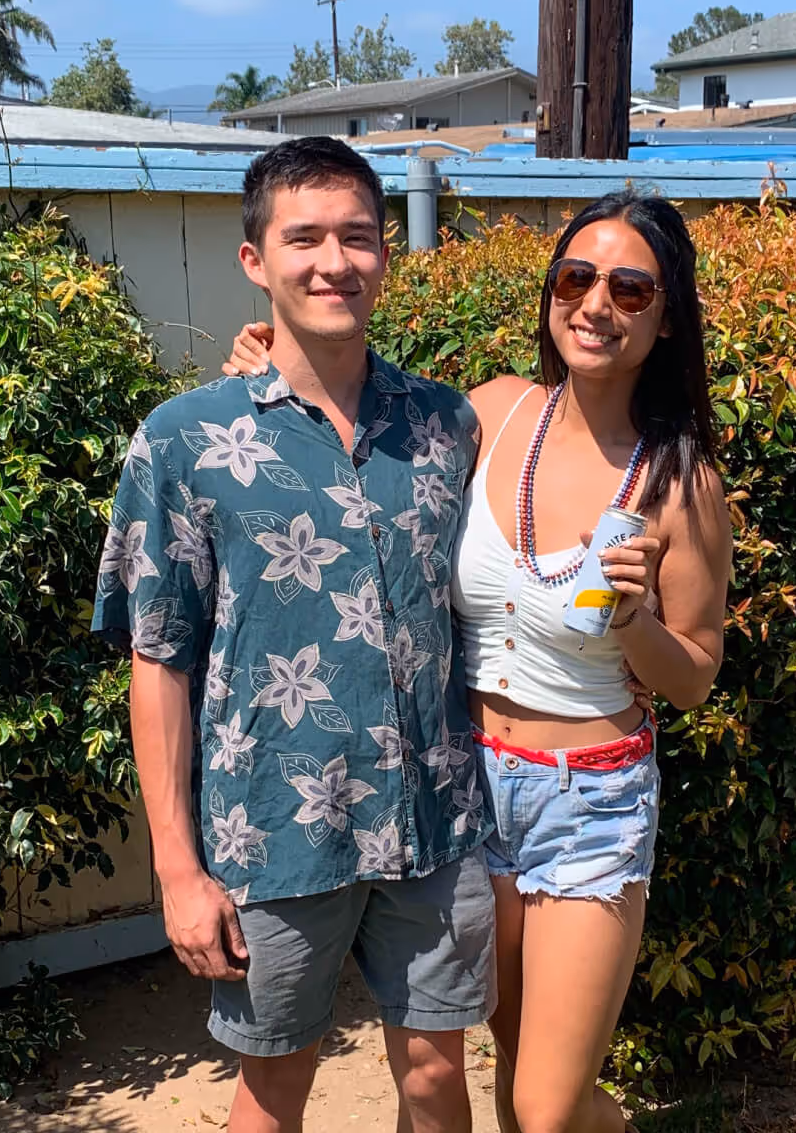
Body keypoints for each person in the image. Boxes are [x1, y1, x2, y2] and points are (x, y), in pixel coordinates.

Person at [224, 190, 731, 1133]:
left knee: (547, 1106)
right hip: (464, 788)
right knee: (508, 1065)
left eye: (630, 289)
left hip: (589, 800)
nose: (597, 305)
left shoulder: (678, 480)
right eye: (576, 279)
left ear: (665, 319)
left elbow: (696, 678)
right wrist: (275, 368)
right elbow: (363, 431)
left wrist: (633, 622)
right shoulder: (491, 415)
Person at [93, 136, 497, 1133]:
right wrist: (177, 869)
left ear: (386, 254)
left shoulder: (445, 427)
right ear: (255, 259)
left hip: (435, 821)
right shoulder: (185, 441)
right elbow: (158, 660)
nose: (333, 261)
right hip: (274, 832)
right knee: (275, 1087)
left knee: (437, 1075)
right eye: (304, 238)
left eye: (357, 236)